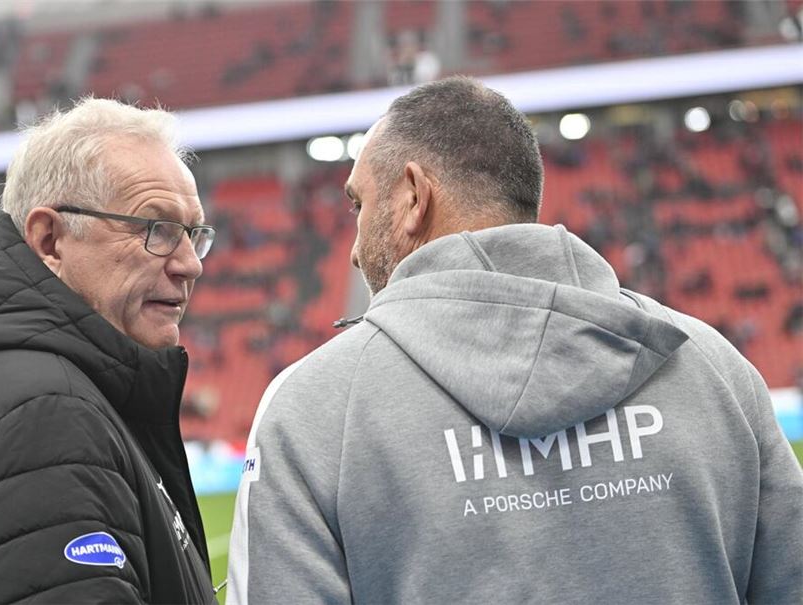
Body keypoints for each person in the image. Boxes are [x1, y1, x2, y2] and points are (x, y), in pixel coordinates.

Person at [226, 76, 803, 603]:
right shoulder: (712, 366)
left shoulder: (313, 410)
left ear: (412, 197)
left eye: (358, 203)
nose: (352, 249)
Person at [0, 98, 218, 603]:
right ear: (49, 240)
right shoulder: (44, 411)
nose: (189, 264)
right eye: (155, 229)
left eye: (194, 234)